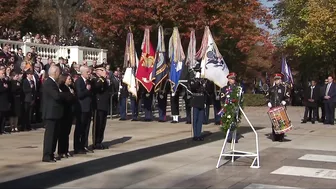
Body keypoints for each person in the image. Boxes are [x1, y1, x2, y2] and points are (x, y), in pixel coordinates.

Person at [41, 66, 64, 162]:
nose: (59, 75)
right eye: (59, 73)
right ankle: (47, 155)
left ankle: (51, 153)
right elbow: (56, 96)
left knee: (55, 135)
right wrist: (65, 95)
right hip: (50, 113)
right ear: (55, 73)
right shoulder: (49, 83)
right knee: (50, 136)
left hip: (55, 113)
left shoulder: (54, 83)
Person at [74, 65, 93, 154]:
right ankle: (77, 147)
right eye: (87, 72)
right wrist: (87, 90)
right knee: (80, 128)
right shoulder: (79, 81)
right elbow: (80, 95)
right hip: (81, 108)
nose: (89, 74)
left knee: (86, 128)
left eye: (89, 72)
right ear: (82, 73)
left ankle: (84, 145)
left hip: (88, 108)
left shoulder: (89, 81)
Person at [57, 73, 76, 159]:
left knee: (67, 133)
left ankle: (66, 150)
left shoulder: (71, 88)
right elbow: (67, 98)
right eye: (69, 79)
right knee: (62, 133)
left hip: (70, 112)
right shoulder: (62, 87)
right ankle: (61, 151)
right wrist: (71, 95)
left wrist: (72, 95)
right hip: (64, 112)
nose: (70, 80)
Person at [266, 73, 289, 142]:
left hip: (280, 107)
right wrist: (268, 102)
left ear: (280, 79)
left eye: (278, 79)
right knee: (274, 123)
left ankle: (281, 137)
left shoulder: (284, 88)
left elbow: (287, 97)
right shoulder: (271, 88)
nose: (277, 81)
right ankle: (275, 136)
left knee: (281, 122)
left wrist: (285, 101)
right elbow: (267, 96)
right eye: (275, 79)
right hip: (273, 107)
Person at [92, 65, 110, 149]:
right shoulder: (95, 80)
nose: (104, 72)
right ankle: (96, 142)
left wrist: (106, 79)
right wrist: (102, 79)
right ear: (97, 71)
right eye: (102, 70)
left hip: (104, 105)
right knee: (97, 124)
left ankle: (100, 140)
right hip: (98, 105)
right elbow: (97, 87)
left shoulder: (105, 80)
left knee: (102, 124)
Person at [190, 67, 205, 141]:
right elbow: (193, 88)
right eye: (197, 71)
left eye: (199, 71)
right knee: (195, 119)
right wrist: (197, 81)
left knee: (200, 120)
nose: (198, 72)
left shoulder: (203, 80)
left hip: (201, 101)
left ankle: (199, 134)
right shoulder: (192, 80)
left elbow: (206, 90)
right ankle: (195, 135)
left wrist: (202, 82)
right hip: (195, 101)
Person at [0, 69, 10, 135]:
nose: (3, 75)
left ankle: (2, 129)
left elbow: (8, 86)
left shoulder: (4, 81)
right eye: (2, 74)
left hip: (4, 101)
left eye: (4, 74)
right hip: (0, 101)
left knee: (3, 116)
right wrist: (5, 88)